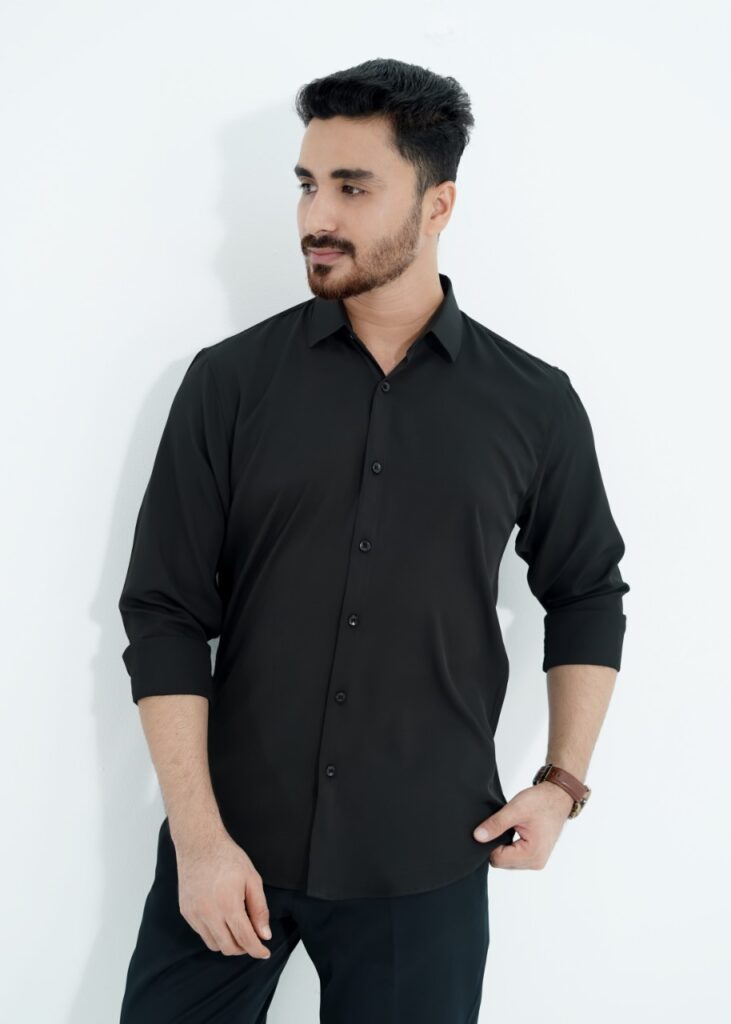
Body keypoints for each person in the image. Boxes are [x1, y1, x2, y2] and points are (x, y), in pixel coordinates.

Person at [117, 57, 630, 1023]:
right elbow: (164, 613)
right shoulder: (229, 384)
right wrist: (199, 838)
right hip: (230, 849)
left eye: (352, 188)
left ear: (438, 205)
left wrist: (562, 783)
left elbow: (587, 592)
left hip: (426, 859)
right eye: (308, 184)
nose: (316, 215)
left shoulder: (533, 403)